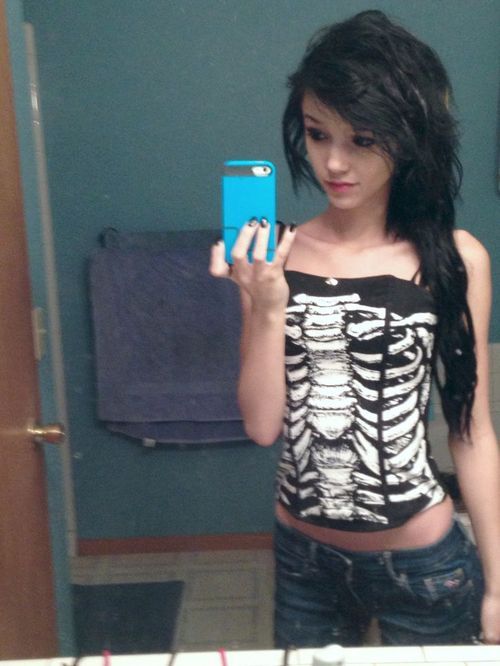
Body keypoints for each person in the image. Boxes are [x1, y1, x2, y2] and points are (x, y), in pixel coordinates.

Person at [210, 9, 500, 647]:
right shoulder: (272, 255)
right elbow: (261, 426)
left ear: (410, 136)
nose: (334, 162)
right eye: (318, 134)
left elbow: (471, 429)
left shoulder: (455, 259)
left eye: (363, 139)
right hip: (303, 560)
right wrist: (266, 305)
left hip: (423, 565)